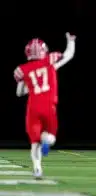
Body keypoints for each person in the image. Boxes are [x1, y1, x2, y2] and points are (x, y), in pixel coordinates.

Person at [14, 32, 76, 179]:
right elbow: (69, 55)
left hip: (33, 107)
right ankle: (46, 141)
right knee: (50, 138)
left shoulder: (22, 69)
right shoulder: (50, 61)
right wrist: (71, 41)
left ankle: (37, 168)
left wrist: (31, 85)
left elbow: (19, 92)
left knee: (34, 143)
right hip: (49, 106)